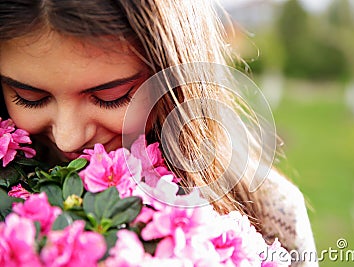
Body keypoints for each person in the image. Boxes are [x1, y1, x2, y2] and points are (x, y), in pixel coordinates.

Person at [0, 1, 318, 266]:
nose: (68, 138)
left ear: (174, 77)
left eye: (111, 97)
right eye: (29, 98)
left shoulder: (274, 218)